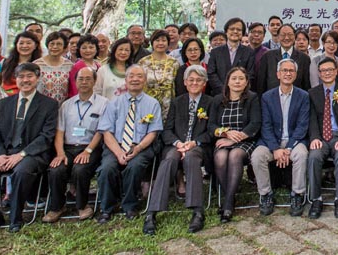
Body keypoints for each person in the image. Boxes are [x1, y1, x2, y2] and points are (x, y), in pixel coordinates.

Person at [0, 63, 57, 235]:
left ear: (37, 78)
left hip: (31, 154)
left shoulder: (49, 104)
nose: (25, 80)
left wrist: (22, 154)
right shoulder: (3, 104)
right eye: (21, 76)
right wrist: (0, 154)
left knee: (22, 172)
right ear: (15, 79)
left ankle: (16, 217)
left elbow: (47, 136)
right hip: (3, 153)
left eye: (29, 76)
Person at [145, 65, 215, 235]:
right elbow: (167, 130)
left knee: (191, 158)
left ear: (204, 82)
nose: (194, 83)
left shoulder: (211, 102)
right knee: (169, 159)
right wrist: (178, 144)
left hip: (198, 147)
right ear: (184, 82)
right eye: (191, 80)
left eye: (199, 80)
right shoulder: (177, 102)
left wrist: (194, 142)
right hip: (177, 145)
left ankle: (197, 210)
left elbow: (212, 130)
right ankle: (151, 213)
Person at [96, 65, 162, 223]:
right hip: (116, 145)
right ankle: (107, 208)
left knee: (135, 166)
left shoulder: (153, 103)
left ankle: (130, 206)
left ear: (145, 80)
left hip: (141, 146)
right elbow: (106, 131)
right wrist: (119, 152)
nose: (135, 79)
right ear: (125, 80)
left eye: (139, 76)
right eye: (131, 76)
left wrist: (138, 148)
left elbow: (153, 132)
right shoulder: (114, 103)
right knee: (107, 168)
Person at [43, 66, 107, 224]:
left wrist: (88, 151)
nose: (84, 82)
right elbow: (59, 131)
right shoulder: (67, 105)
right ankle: (57, 207)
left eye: (88, 79)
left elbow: (101, 131)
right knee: (56, 169)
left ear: (94, 81)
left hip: (91, 147)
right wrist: (60, 153)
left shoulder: (103, 103)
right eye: (81, 79)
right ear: (75, 81)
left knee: (80, 169)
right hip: (68, 147)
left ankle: (82, 205)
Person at [252, 59, 310, 218]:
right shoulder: (267, 97)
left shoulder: (303, 96)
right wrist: (276, 149)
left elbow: (302, 125)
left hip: (295, 140)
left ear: (296, 75)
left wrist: (288, 148)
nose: (288, 73)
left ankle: (297, 195)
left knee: (301, 154)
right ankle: (265, 195)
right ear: (278, 74)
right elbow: (266, 126)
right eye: (284, 70)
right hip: (272, 141)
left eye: (291, 71)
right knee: (257, 156)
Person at [209, 66, 261, 222]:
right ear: (228, 82)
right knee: (220, 156)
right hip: (224, 139)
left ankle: (228, 203)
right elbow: (211, 125)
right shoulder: (218, 99)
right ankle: (229, 198)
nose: (237, 81)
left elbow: (255, 123)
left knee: (235, 155)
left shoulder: (252, 98)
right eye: (234, 78)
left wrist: (234, 139)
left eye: (241, 79)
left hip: (245, 141)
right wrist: (223, 133)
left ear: (246, 83)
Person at [307, 57, 338, 218]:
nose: (327, 73)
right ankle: (316, 199)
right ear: (319, 74)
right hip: (320, 137)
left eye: (330, 70)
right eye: (323, 71)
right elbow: (312, 118)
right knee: (313, 156)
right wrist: (314, 137)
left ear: (335, 72)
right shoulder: (313, 93)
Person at [206, 18, 257, 97]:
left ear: (242, 33)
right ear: (226, 31)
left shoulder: (249, 52)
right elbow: (211, 73)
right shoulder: (215, 52)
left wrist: (237, 91)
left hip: (241, 96)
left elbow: (250, 74)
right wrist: (224, 91)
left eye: (239, 29)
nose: (235, 31)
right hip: (219, 95)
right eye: (232, 29)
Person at [0, 31, 41, 101]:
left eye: (28, 43)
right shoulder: (4, 63)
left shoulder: (39, 64)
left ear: (35, 46)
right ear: (16, 45)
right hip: (3, 102)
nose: (24, 46)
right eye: (21, 43)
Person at [258, 24, 311, 93]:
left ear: (294, 37)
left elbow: (306, 85)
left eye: (290, 35)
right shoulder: (267, 56)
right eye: (283, 35)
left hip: (296, 101)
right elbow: (261, 85)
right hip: (271, 101)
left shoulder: (304, 58)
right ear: (278, 37)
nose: (286, 38)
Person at [139, 30, 178, 121]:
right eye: (157, 40)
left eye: (164, 40)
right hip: (148, 102)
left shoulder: (174, 63)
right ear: (152, 43)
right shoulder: (143, 62)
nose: (160, 43)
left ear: (168, 43)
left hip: (168, 104)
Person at [35, 31, 74, 104]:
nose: (55, 47)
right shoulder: (36, 64)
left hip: (63, 107)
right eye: (52, 44)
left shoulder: (69, 65)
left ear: (64, 47)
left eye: (59, 44)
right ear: (47, 45)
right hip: (41, 107)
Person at [68, 34, 101, 98]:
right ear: (79, 50)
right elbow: (74, 89)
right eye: (84, 48)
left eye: (91, 47)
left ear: (96, 49)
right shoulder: (76, 67)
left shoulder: (99, 66)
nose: (87, 50)